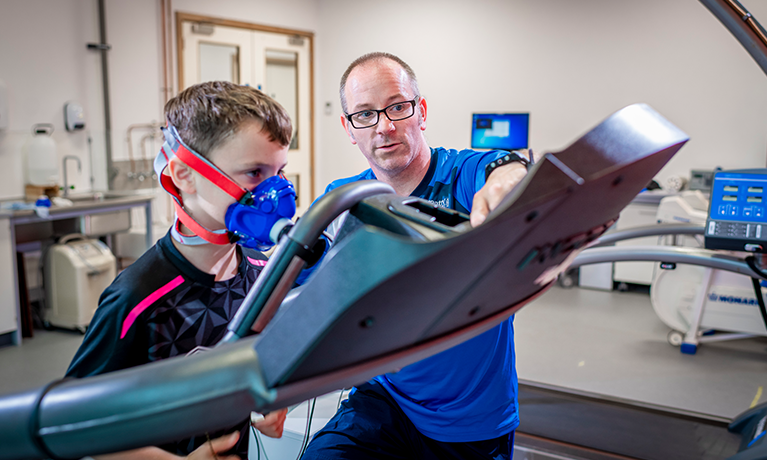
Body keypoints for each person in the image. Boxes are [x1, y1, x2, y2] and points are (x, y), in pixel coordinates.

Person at [301, 52, 533, 459]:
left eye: (397, 107)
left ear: (420, 111)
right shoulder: (344, 199)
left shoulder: (462, 175)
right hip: (382, 400)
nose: (384, 127)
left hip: (469, 419)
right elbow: (294, 284)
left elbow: (506, 167)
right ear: (349, 128)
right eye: (365, 115)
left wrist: (512, 181)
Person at [66, 81, 290, 460]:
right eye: (254, 172)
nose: (276, 191)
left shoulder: (260, 271)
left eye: (280, 171)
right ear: (184, 174)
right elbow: (72, 428)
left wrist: (275, 396)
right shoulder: (136, 297)